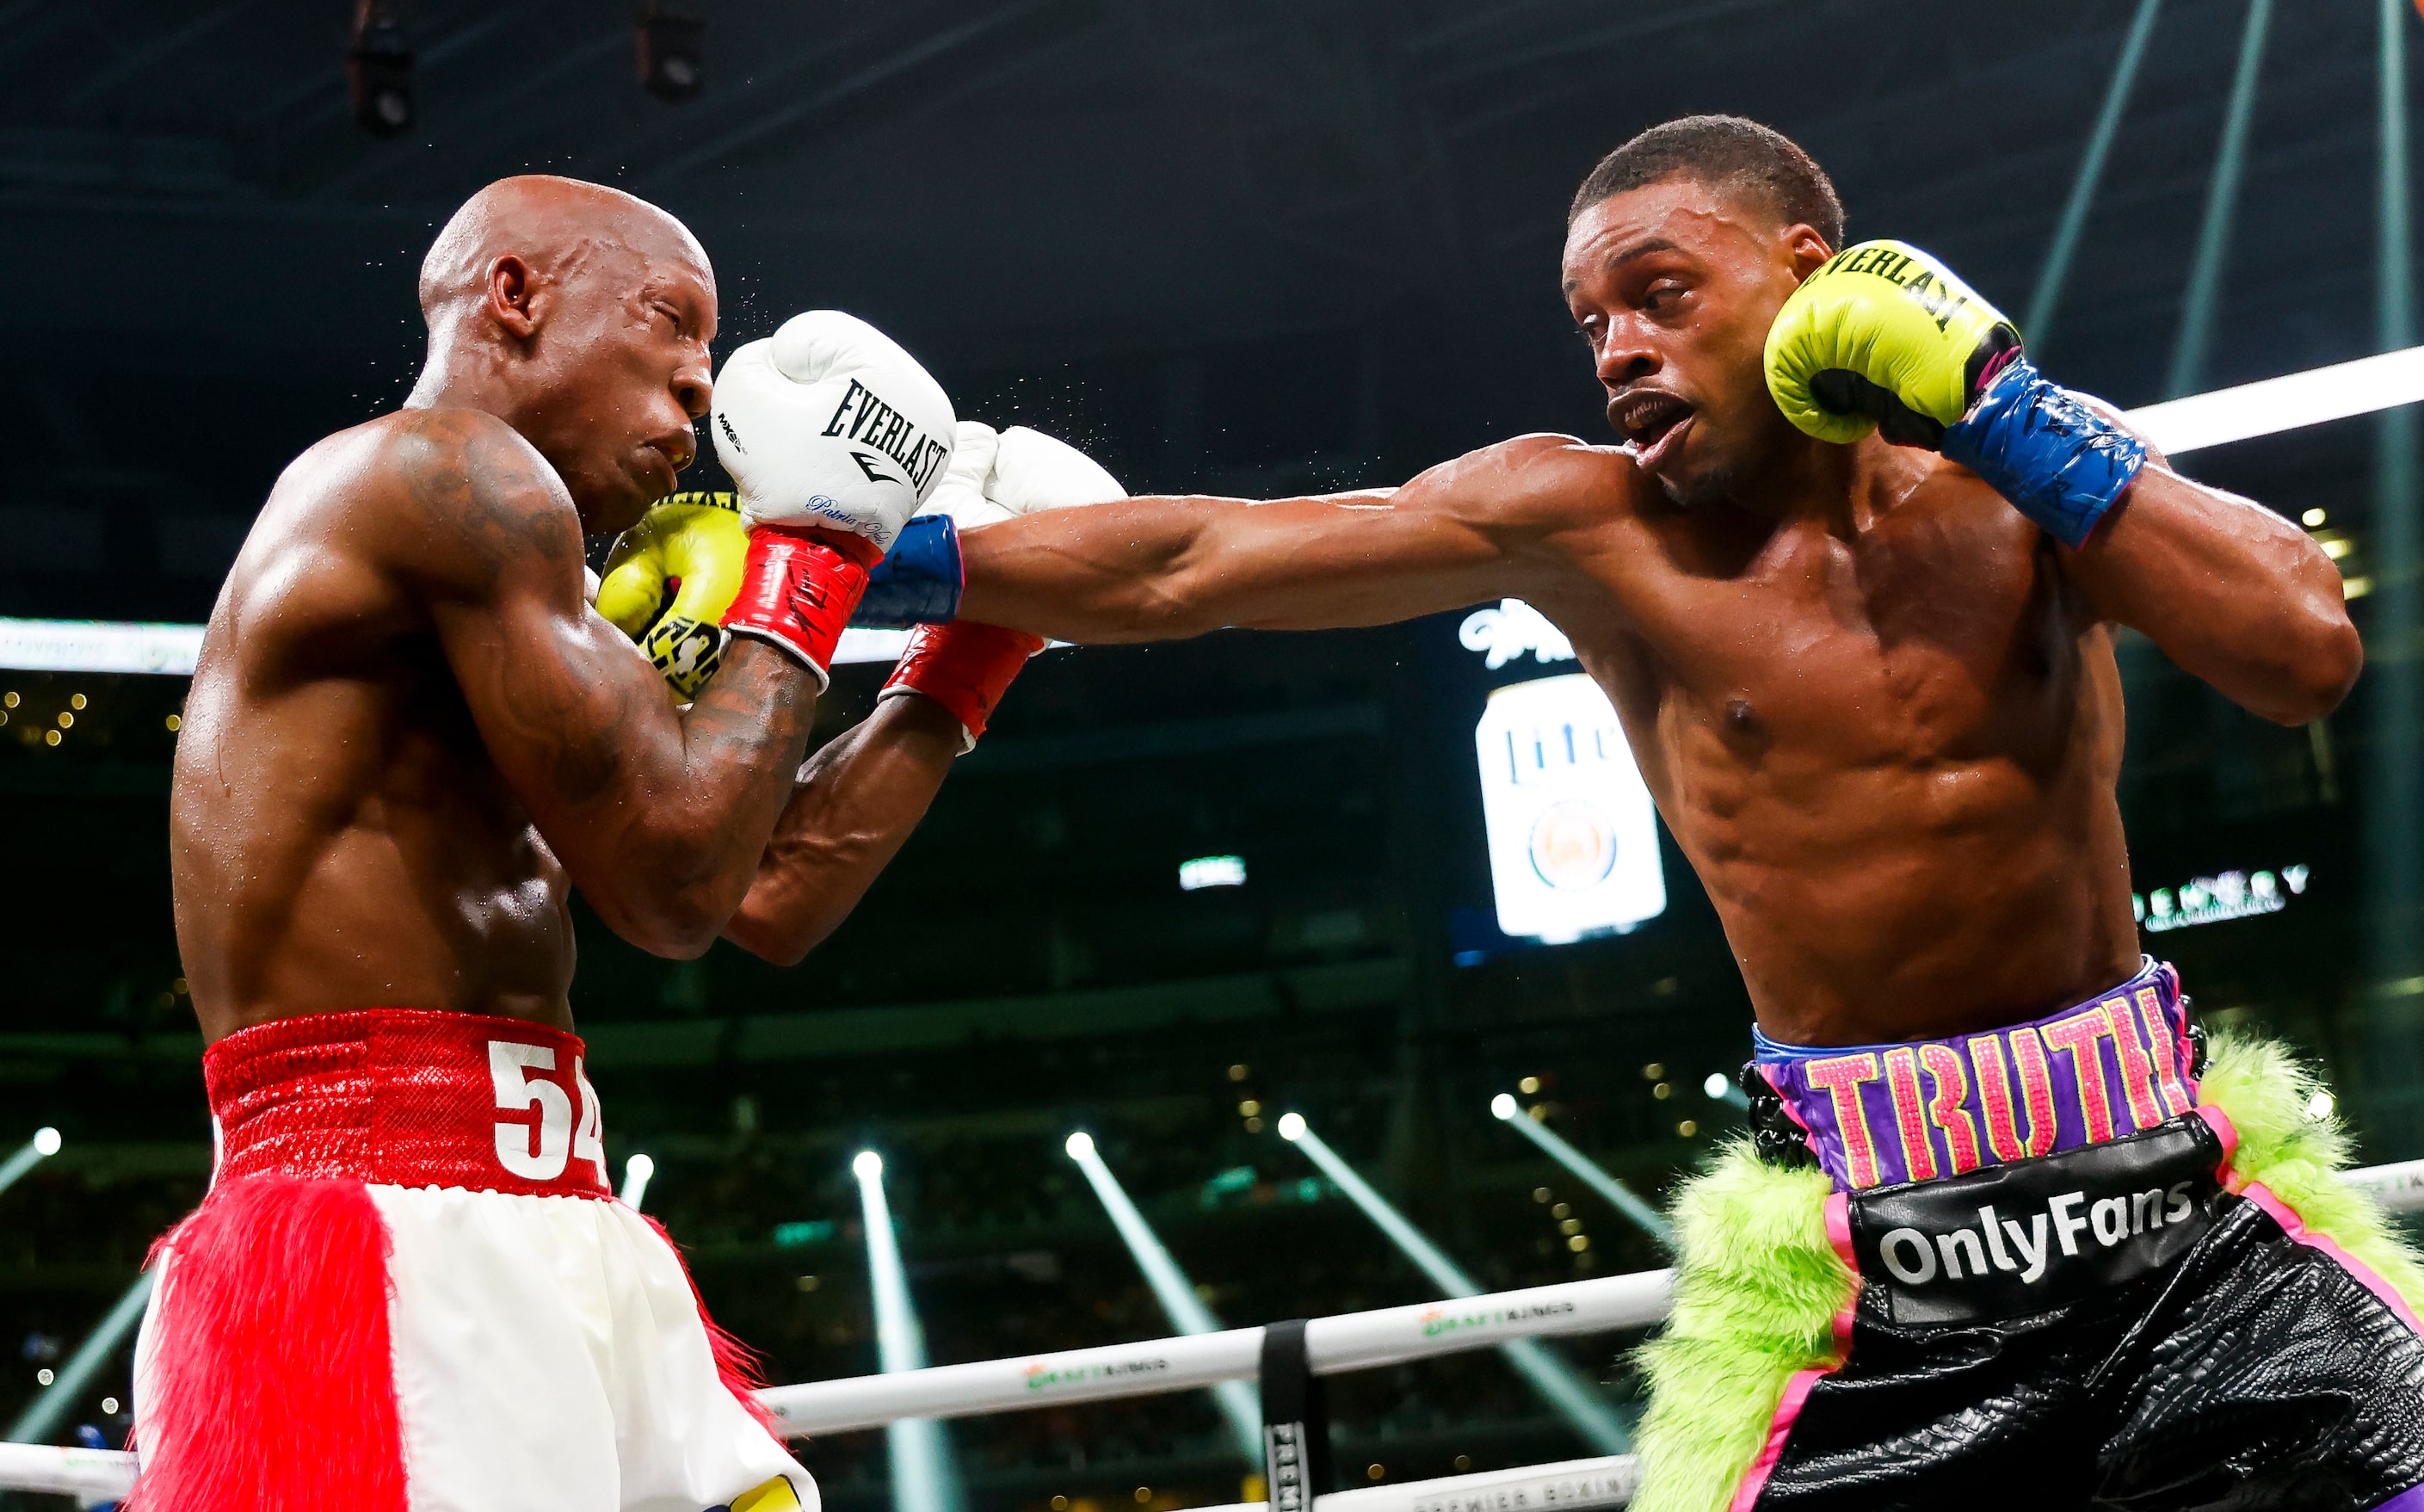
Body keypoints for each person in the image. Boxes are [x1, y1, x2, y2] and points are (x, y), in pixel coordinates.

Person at [879, 116, 2424, 1509]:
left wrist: (1999, 400)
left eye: (1660, 294)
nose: (1615, 349)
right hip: (1867, 1273)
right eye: (1590, 322)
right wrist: (849, 567)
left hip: (2181, 1222)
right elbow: (1192, 562)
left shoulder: (2014, 471)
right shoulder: (1590, 524)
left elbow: (2300, 652)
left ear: (1813, 275)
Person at [143, 175, 1037, 1512]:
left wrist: (961, 663)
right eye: (672, 323)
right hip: (377, 1224)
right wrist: (813, 546)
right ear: (515, 296)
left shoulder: (534, 599)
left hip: (562, 1201)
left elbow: (764, 894)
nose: (700, 386)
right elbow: (672, 888)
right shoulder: (433, 473)